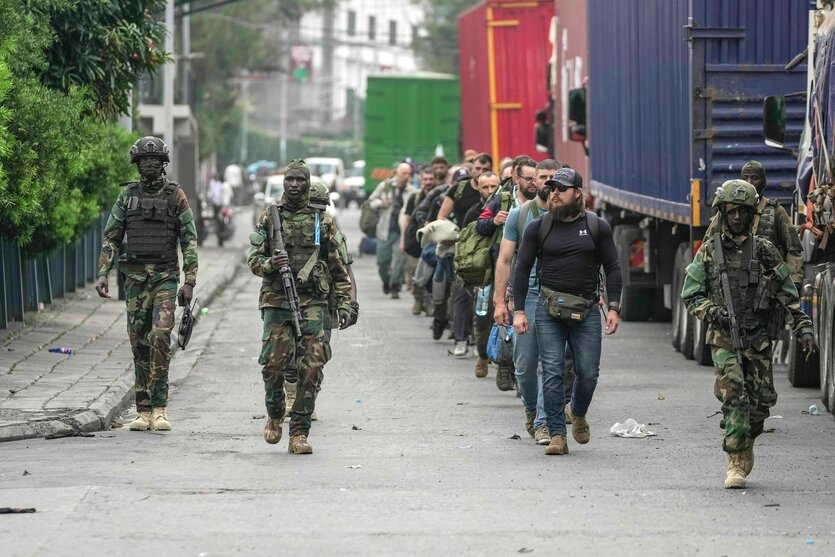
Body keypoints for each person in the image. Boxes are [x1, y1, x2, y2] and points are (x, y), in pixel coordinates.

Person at [681, 179, 816, 489]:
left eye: (743, 212)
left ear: (751, 214)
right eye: (731, 212)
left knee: (760, 403)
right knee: (735, 397)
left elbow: (787, 293)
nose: (737, 218)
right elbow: (691, 293)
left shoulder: (764, 250)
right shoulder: (710, 252)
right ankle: (735, 460)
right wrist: (711, 312)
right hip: (724, 338)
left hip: (758, 338)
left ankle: (747, 438)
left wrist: (803, 326)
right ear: (723, 213)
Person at [513, 168, 622, 456]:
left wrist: (614, 307)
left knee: (588, 372)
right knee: (551, 371)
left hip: (586, 310)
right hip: (548, 309)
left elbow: (612, 267)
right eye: (552, 188)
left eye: (561, 188)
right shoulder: (538, 227)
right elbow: (521, 268)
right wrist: (519, 310)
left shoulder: (597, 226)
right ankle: (557, 435)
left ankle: (579, 411)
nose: (555, 193)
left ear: (577, 192)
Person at [247, 159, 352, 454]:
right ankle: (276, 414)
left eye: (300, 180)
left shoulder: (322, 220)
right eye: (290, 179)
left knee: (311, 368)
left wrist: (344, 302)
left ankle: (300, 433)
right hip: (276, 300)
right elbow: (253, 258)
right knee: (273, 365)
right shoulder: (270, 217)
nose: (294, 184)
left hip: (313, 301)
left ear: (307, 183)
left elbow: (337, 265)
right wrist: (270, 263)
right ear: (284, 182)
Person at [95, 136, 198, 432]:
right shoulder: (127, 196)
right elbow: (112, 237)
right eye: (144, 160)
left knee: (161, 337)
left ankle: (160, 407)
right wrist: (103, 272)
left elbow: (189, 240)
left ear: (163, 163)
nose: (149, 164)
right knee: (139, 343)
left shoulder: (176, 195)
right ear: (137, 164)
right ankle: (143, 410)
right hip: (135, 280)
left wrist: (190, 280)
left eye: (154, 160)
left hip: (165, 277)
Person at [494, 159, 577, 445]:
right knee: (525, 365)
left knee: (551, 364)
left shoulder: (573, 215)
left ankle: (544, 421)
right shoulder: (520, 216)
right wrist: (499, 303)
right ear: (535, 181)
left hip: (559, 296)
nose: (547, 183)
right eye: (542, 177)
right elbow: (505, 260)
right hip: (527, 295)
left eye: (554, 178)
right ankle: (531, 409)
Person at [284, 179, 360, 422]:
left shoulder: (330, 230)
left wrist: (350, 304)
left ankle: (309, 397)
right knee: (288, 351)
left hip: (322, 301)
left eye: (320, 207)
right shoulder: (288, 226)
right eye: (312, 206)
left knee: (317, 354)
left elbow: (346, 271)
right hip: (289, 298)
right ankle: (291, 393)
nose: (315, 213)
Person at [705, 161, 803, 287]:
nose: (749, 182)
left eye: (755, 178)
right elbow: (708, 246)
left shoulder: (775, 211)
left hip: (768, 284)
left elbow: (793, 250)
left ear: (763, 182)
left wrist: (794, 284)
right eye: (745, 178)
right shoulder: (728, 211)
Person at [368, 162, 412, 298]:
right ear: (396, 174)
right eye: (403, 173)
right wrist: (382, 203)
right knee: (382, 261)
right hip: (385, 229)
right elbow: (371, 201)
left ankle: (395, 286)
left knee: (400, 259)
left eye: (408, 174)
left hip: (402, 231)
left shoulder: (412, 191)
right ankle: (386, 281)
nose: (406, 176)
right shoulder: (385, 186)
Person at [401, 166, 439, 315]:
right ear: (420, 180)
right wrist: (403, 240)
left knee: (430, 274)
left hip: (434, 241)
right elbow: (407, 217)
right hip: (417, 242)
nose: (428, 182)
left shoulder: (441, 195)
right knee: (416, 272)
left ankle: (429, 302)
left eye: (431, 179)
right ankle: (418, 300)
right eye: (426, 179)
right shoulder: (415, 197)